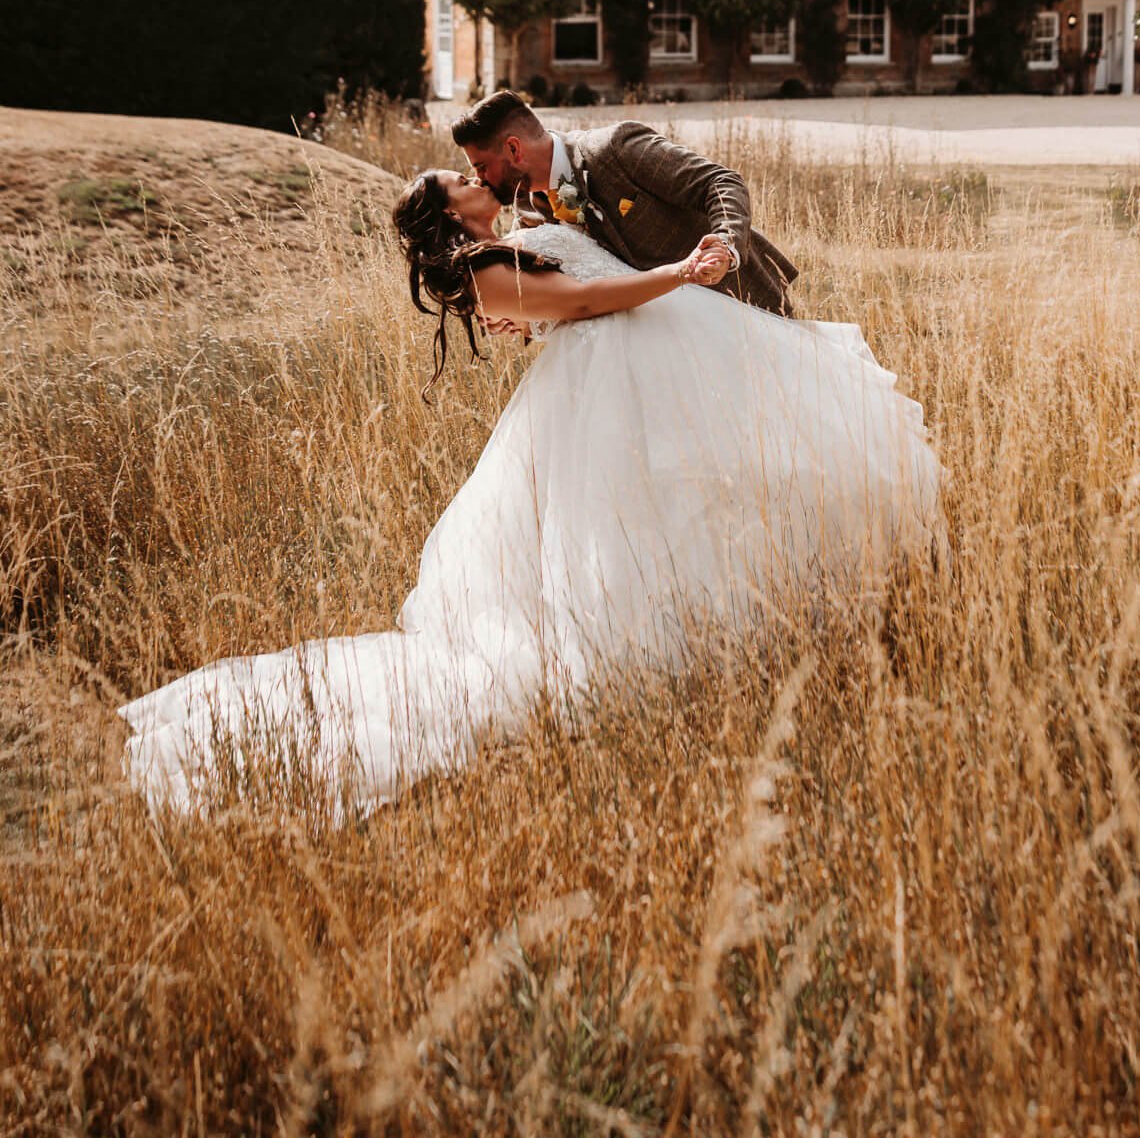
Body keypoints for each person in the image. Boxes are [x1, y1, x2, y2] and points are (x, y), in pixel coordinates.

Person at [119, 165, 944, 818]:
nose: (476, 179)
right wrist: (675, 273)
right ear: (453, 215)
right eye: (461, 182)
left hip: (636, 372)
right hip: (607, 389)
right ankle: (650, 662)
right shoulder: (482, 270)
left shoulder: (509, 241)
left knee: (690, 499)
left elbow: (567, 292)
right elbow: (586, 299)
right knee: (622, 524)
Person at [452, 89, 798, 317]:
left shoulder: (615, 148)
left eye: (481, 166)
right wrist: (522, 321)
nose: (480, 179)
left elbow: (720, 182)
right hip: (667, 338)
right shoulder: (527, 210)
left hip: (737, 301)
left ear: (514, 149)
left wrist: (724, 246)